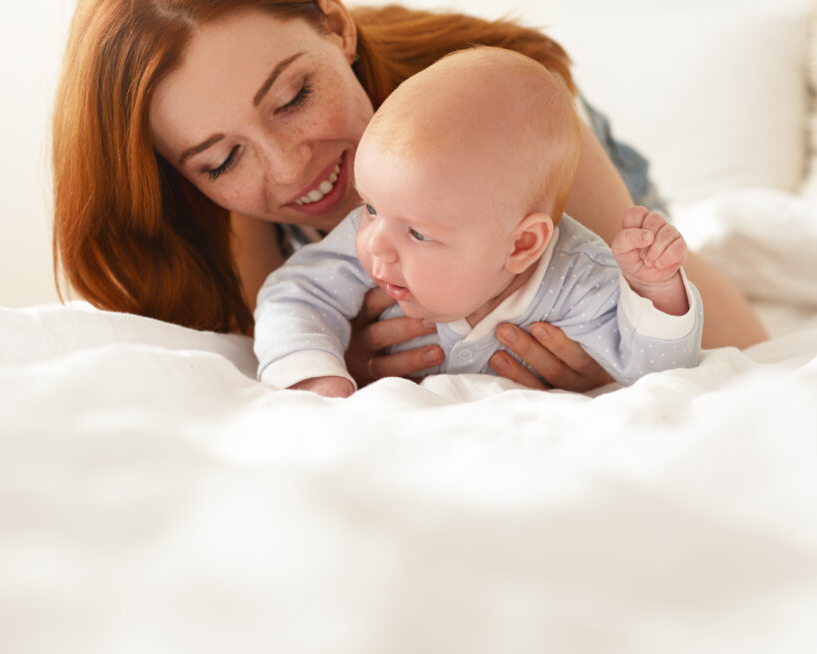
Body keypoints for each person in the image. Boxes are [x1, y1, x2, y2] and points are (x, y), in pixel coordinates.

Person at [52, 0, 765, 394]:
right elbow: (287, 339)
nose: (289, 166)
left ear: (336, 24)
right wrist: (343, 361)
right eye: (222, 157)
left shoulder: (501, 122)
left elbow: (742, 340)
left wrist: (610, 361)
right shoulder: (235, 211)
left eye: (294, 96)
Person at [253, 47, 702, 397]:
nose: (375, 245)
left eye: (418, 233)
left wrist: (656, 292)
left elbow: (656, 371)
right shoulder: (375, 231)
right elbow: (294, 292)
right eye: (369, 206)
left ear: (522, 244)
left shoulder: (578, 279)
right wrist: (312, 370)